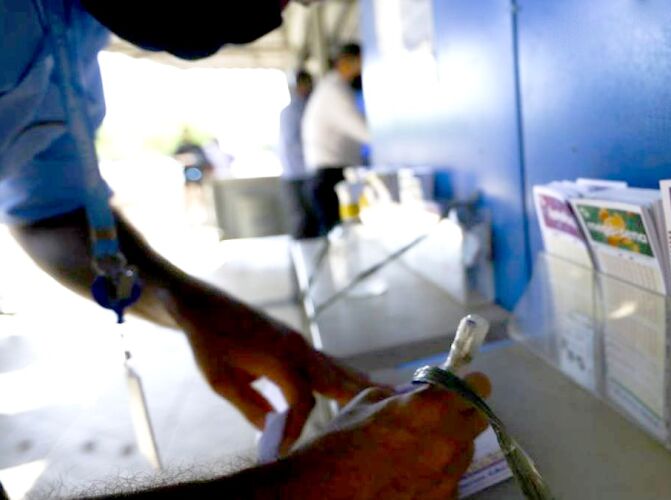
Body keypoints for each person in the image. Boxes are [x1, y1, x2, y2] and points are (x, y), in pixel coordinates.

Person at [0, 0, 489, 497]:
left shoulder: (69, 27)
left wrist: (189, 305)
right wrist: (318, 484)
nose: (294, 7)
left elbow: (50, 211)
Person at [302, 43, 371, 234]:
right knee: (341, 239)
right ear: (346, 62)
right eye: (360, 63)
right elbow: (363, 131)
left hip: (330, 174)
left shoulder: (334, 88)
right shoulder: (335, 90)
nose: (361, 70)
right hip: (331, 178)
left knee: (340, 238)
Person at [279, 70, 318, 239]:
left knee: (307, 222)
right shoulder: (297, 109)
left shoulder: (299, 108)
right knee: (305, 223)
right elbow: (295, 144)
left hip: (297, 174)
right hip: (299, 175)